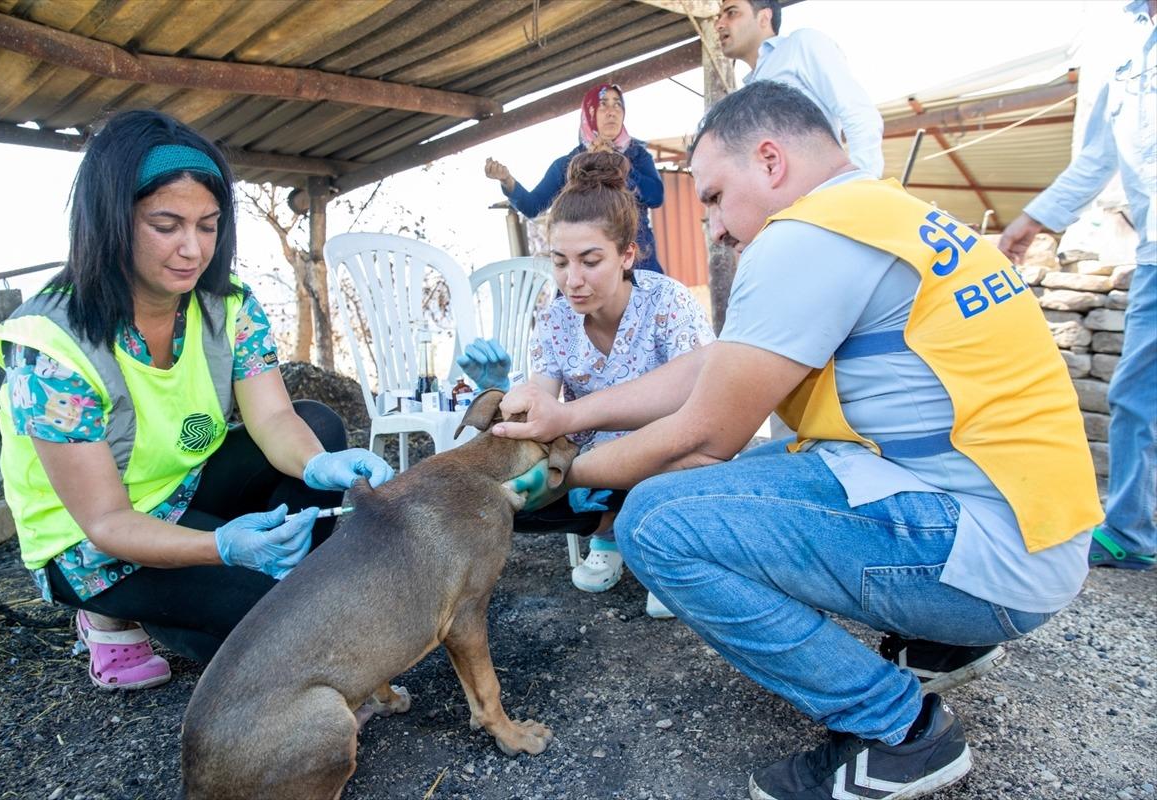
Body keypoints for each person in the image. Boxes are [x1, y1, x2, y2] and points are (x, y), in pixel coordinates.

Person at [493, 81, 1101, 800]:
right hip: (1037, 534)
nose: (716, 227)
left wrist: (562, 479)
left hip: (991, 555)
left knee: (656, 521)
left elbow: (704, 438)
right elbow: (710, 368)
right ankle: (943, 638)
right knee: (781, 464)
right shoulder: (882, 214)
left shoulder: (803, 237)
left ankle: (899, 730)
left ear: (771, 161)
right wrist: (565, 420)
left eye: (715, 196)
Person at [0, 110, 395, 690]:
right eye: (166, 225)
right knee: (271, 629)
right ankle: (112, 612)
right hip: (93, 540)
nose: (193, 249)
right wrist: (222, 547)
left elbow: (273, 416)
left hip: (183, 489)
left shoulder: (227, 305)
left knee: (318, 428)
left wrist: (316, 465)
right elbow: (105, 520)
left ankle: (271, 586)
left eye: (208, 226)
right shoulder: (52, 347)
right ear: (111, 220)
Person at [461, 151, 714, 617]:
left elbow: (698, 391)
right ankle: (611, 531)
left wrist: (576, 421)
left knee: (680, 453)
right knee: (515, 499)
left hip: (667, 455)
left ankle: (671, 548)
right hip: (598, 469)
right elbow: (541, 401)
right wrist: (502, 391)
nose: (572, 280)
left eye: (590, 261)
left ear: (627, 255)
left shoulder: (668, 302)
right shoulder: (555, 319)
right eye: (559, 262)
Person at [998, 0, 1155, 572]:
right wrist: (1033, 219)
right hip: (1153, 252)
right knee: (1134, 396)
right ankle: (1130, 533)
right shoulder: (1125, 41)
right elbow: (1098, 155)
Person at [484, 83, 667, 273]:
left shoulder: (637, 156)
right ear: (590, 112)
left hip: (638, 264)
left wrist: (617, 162)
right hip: (590, 267)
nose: (612, 112)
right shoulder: (569, 164)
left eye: (617, 105)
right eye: (603, 104)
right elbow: (533, 207)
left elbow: (655, 197)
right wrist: (507, 181)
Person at [714, 0, 884, 177]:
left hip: (821, 189)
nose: (719, 25)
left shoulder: (800, 45)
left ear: (764, 17)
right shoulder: (748, 89)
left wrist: (862, 182)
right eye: (719, 17)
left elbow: (858, 112)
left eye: (731, 13)